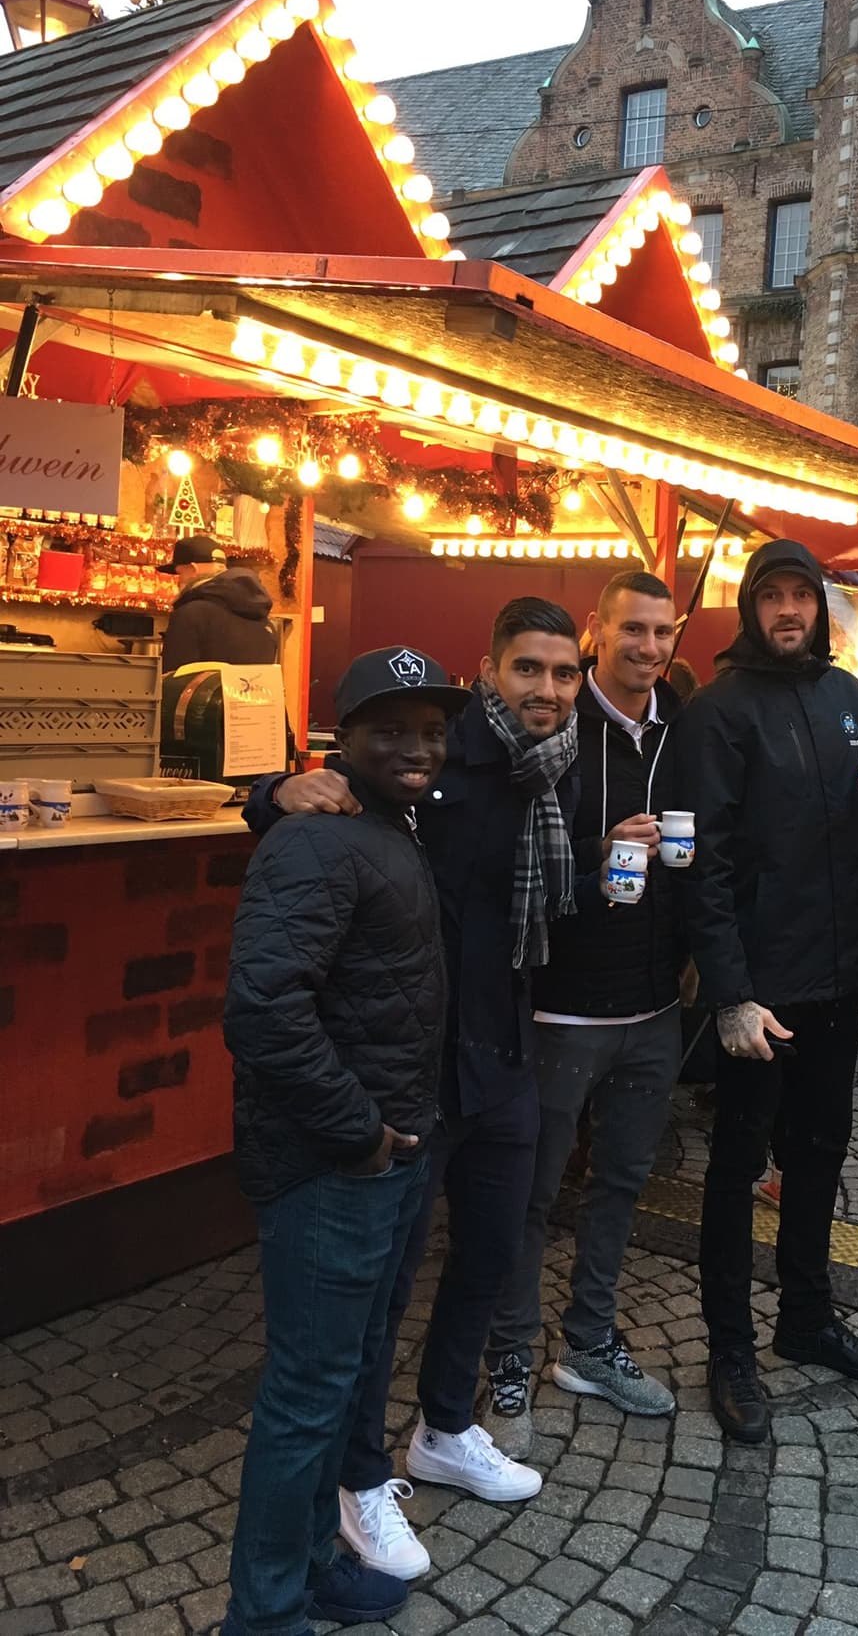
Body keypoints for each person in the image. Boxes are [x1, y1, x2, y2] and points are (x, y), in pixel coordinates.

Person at [244, 598, 582, 1576]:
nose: (547, 692)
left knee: (488, 1258)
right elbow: (331, 807)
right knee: (379, 1294)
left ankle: (442, 1428)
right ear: (492, 669)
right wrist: (273, 793)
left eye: (563, 675)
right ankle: (357, 1479)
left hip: (505, 1056)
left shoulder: (558, 768)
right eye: (529, 671)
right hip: (418, 1075)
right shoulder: (435, 764)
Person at [221, 646, 466, 1636]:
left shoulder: (388, 823)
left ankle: (317, 1566)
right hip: (334, 1163)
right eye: (391, 729)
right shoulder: (316, 838)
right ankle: (265, 1612)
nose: (415, 747)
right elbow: (263, 1009)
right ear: (341, 738)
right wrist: (359, 1134)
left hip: (387, 1152)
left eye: (431, 732)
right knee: (306, 1392)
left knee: (343, 1372)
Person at [677, 538, 858, 1443]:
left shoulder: (847, 697)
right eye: (772, 596)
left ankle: (807, 1318)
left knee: (819, 1155)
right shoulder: (718, 709)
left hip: (834, 980)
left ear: (820, 607)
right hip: (761, 992)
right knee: (737, 1171)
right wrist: (731, 994)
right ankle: (730, 1350)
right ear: (751, 608)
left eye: (801, 597)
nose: (788, 611)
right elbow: (703, 863)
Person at [482, 571, 686, 1455]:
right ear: (599, 634)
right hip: (560, 1008)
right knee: (531, 1194)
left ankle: (590, 1340)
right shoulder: (555, 728)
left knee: (622, 1181)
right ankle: (508, 1354)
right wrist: (594, 854)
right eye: (632, 630)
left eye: (662, 632)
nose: (647, 647)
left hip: (653, 1006)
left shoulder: (685, 728)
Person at [159, 535, 277, 672]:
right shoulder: (261, 615)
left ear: (193, 569)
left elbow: (172, 678)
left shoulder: (190, 614)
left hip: (205, 693)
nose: (178, 582)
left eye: (179, 574)